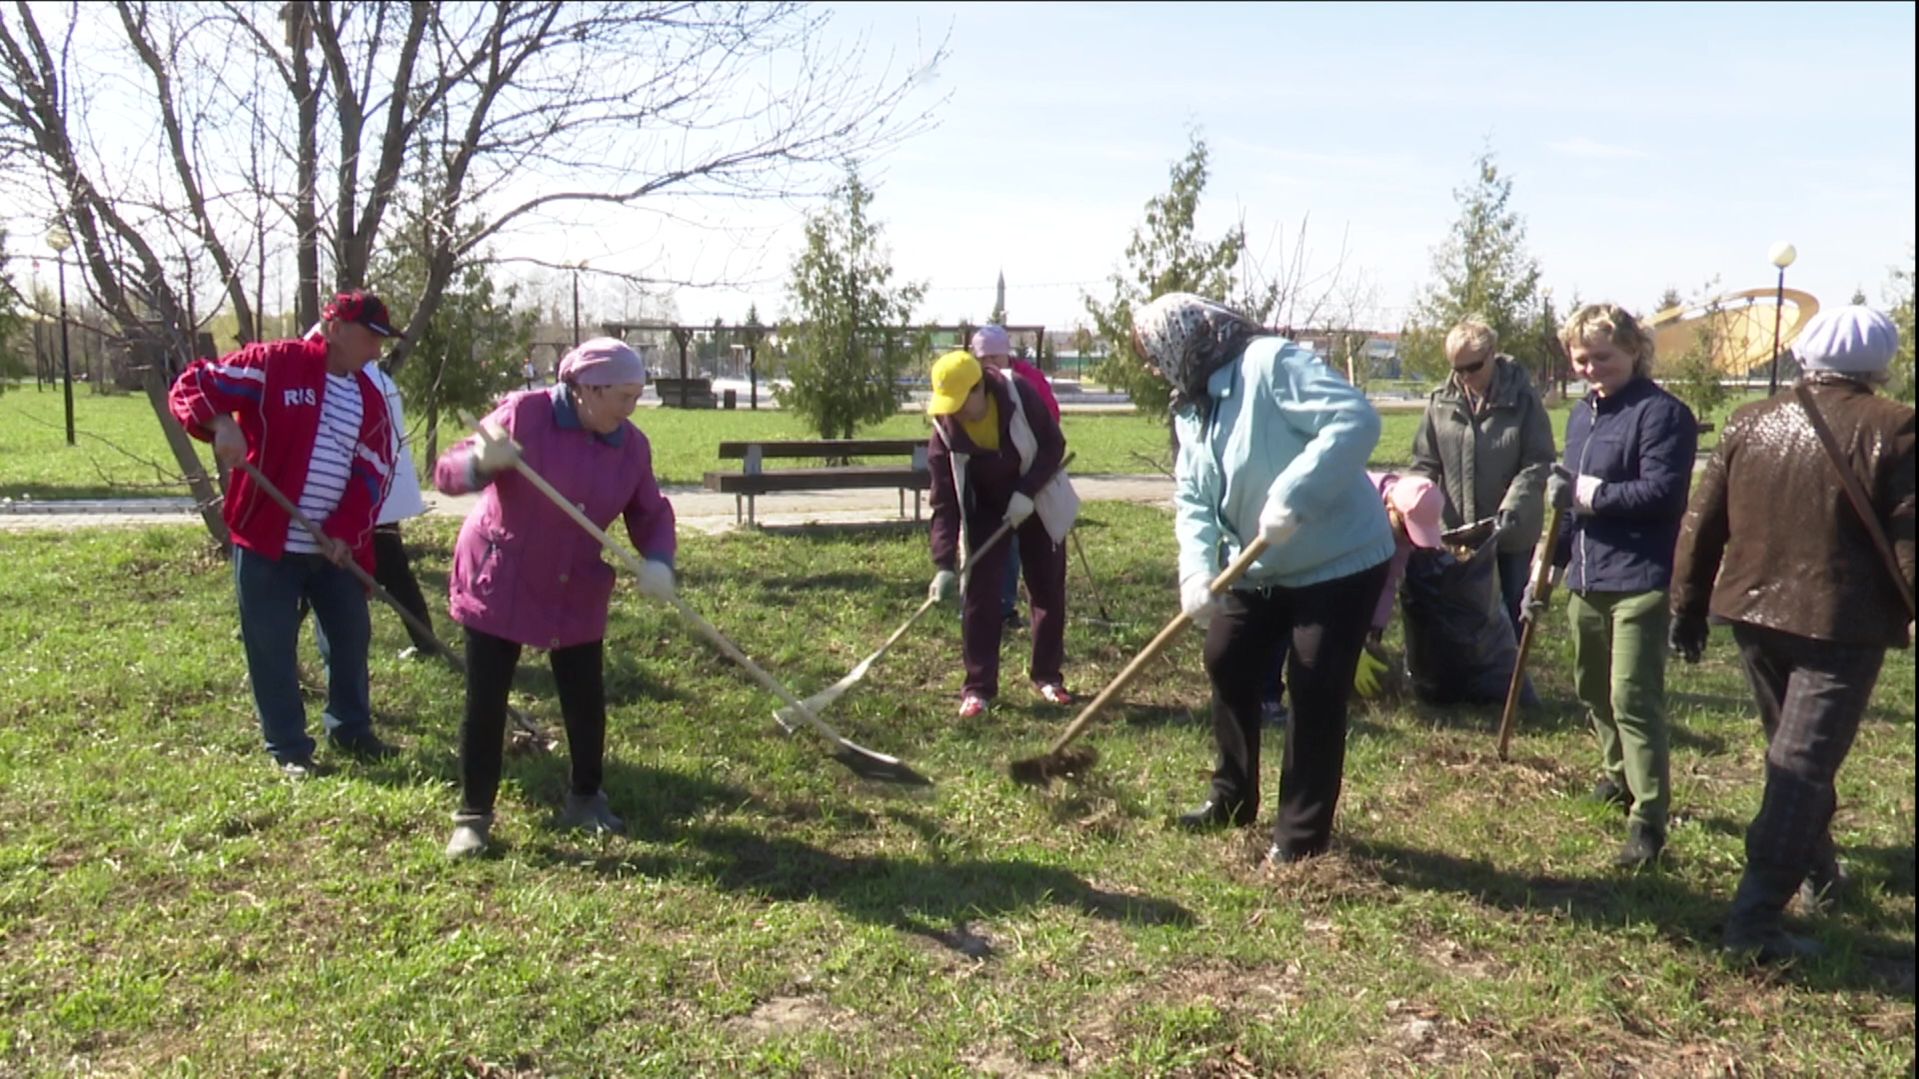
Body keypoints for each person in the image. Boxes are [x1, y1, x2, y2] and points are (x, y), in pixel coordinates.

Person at [1670, 306, 1914, 963]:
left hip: (1749, 615)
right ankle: (1752, 924)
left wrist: (1686, 607)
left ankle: (1818, 875)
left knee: (1792, 755)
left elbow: (1701, 521)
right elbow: (1909, 536)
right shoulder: (1896, 426)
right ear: (1880, 362)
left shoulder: (1750, 420)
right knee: (1800, 768)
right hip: (1837, 625)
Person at [1137, 293, 1394, 866]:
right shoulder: (1191, 406)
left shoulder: (1270, 364)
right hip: (1257, 564)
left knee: (1314, 679)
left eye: (1155, 356)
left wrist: (1292, 495)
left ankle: (1300, 835)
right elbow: (1194, 500)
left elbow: (1355, 419)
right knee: (1227, 656)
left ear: (1182, 340)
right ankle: (1231, 797)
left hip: (1339, 557)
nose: (1156, 369)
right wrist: (1197, 571)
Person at [433, 338, 678, 859]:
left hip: (575, 583)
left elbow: (649, 512)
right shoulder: (525, 414)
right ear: (588, 389)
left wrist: (658, 558)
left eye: (638, 395)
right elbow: (446, 471)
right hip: (502, 576)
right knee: (487, 699)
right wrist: (480, 463)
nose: (632, 407)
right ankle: (473, 817)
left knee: (585, 697)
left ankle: (586, 798)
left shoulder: (630, 445)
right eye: (624, 395)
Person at [167, 289, 403, 778]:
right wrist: (218, 425)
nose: (377, 351)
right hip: (267, 543)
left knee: (350, 636)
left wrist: (343, 532)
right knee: (271, 644)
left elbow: (373, 471)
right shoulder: (275, 364)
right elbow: (192, 384)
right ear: (336, 328)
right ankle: (290, 749)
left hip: (333, 549)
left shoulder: (370, 398)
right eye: (371, 338)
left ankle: (351, 730)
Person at [1529, 303, 1696, 869]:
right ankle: (1617, 776)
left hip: (1640, 578)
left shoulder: (1662, 414)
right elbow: (1567, 510)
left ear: (1633, 352)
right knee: (1591, 688)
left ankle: (1649, 819)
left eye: (1603, 357)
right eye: (1581, 359)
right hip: (1587, 576)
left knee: (1632, 697)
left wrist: (1588, 493)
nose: (1592, 368)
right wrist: (1547, 572)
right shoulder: (1582, 416)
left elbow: (1663, 495)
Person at [925, 349, 1077, 717]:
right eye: (950, 405)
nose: (957, 412)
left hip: (1035, 498)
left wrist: (1027, 492)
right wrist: (944, 563)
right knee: (980, 595)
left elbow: (1053, 445)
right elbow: (945, 502)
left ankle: (1047, 676)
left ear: (980, 388)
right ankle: (978, 688)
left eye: (963, 402)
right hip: (987, 510)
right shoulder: (944, 432)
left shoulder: (1019, 395)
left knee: (1047, 588)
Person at [1410, 318, 1557, 633]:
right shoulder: (1440, 401)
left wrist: (1513, 505)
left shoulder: (1523, 399)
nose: (1464, 377)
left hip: (1510, 536)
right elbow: (1424, 461)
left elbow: (1538, 461)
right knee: (1463, 622)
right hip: (1459, 536)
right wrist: (1412, 503)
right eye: (1456, 369)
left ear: (1492, 353)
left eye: (1472, 367)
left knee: (1508, 619)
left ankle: (1509, 681)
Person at [970, 325, 1062, 631]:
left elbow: (1051, 425)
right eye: (982, 358)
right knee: (1003, 544)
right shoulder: (976, 385)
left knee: (1040, 555)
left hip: (1037, 476)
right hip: (1001, 479)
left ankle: (1043, 624)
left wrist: (1032, 480)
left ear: (1006, 354)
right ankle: (1003, 606)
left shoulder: (1028, 381)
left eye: (994, 357)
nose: (989, 365)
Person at [1351, 471, 1448, 699]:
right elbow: (1335, 582)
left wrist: (1373, 630)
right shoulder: (1356, 499)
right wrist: (1349, 643)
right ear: (1393, 509)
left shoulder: (1400, 529)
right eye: (1407, 529)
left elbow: (1389, 579)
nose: (1408, 536)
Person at [365, 360, 439, 658]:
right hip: (380, 495)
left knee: (394, 572)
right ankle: (426, 641)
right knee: (396, 574)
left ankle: (426, 642)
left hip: (374, 496)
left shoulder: (362, 379)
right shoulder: (375, 377)